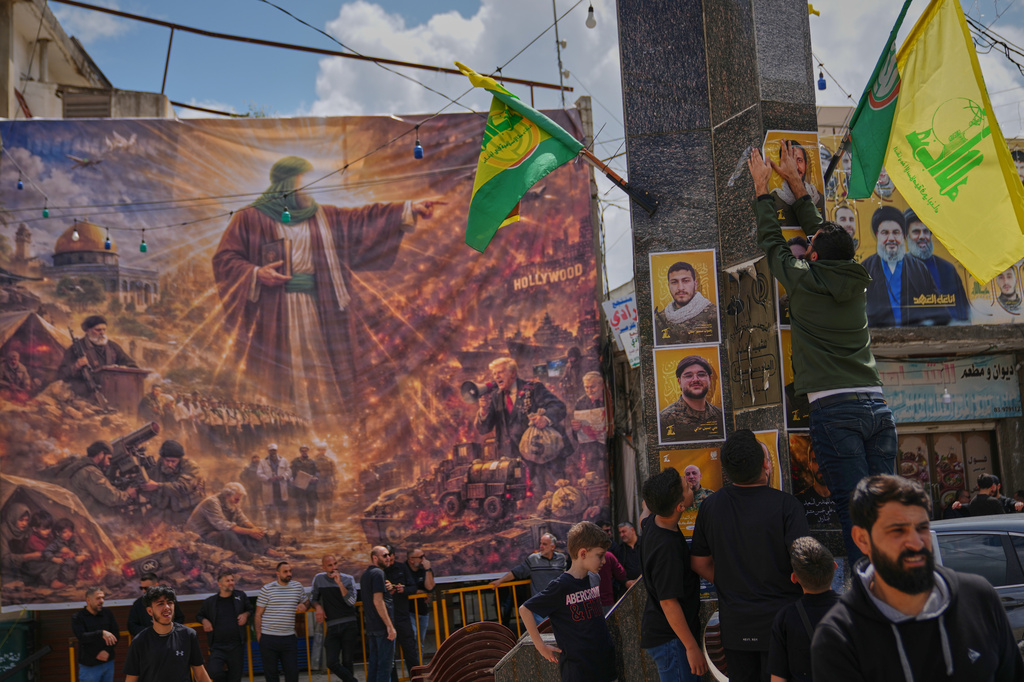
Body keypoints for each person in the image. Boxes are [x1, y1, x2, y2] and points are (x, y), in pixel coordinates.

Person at [749, 143, 897, 562]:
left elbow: (774, 245)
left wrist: (763, 191)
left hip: (837, 412)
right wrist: (798, 187)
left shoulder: (804, 280)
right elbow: (828, 242)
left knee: (856, 514)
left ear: (811, 255)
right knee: (886, 510)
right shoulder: (855, 278)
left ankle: (872, 602)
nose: (807, 244)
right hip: (875, 406)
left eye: (809, 244)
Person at [211, 155, 438, 420]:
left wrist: (410, 208)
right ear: (285, 185)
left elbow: (363, 220)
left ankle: (325, 426)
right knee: (281, 372)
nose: (309, 189)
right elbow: (225, 259)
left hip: (318, 307)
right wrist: (256, 273)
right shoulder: (250, 218)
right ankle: (284, 424)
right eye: (303, 182)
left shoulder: (324, 216)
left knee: (320, 369)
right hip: (274, 311)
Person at [810, 475, 1023, 681]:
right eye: (897, 531)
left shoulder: (978, 598)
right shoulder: (839, 637)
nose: (915, 543)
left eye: (921, 528)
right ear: (862, 539)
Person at [690, 430, 810, 682]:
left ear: (726, 471)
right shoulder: (788, 506)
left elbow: (699, 562)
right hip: (783, 625)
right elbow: (804, 567)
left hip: (735, 627)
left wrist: (729, 580)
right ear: (766, 464)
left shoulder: (710, 507)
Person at [518, 521, 617, 682]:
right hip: (578, 671)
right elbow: (525, 609)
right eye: (600, 555)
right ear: (583, 553)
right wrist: (540, 646)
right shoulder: (561, 586)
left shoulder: (594, 578)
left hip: (605, 665)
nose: (604, 561)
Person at [639, 468, 706, 682]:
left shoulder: (652, 522)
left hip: (667, 636)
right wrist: (691, 646)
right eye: (686, 487)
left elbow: (644, 514)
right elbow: (668, 602)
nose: (689, 484)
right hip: (672, 641)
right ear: (680, 506)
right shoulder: (666, 549)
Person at [475, 357, 571, 499]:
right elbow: (484, 429)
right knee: (523, 501)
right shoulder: (495, 397)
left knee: (551, 497)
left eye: (500, 372)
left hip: (541, 455)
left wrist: (545, 418)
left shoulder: (533, 389)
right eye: (495, 374)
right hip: (514, 460)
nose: (496, 377)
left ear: (513, 373)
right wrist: (483, 409)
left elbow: (559, 407)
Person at [862, 206, 950, 327]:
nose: (891, 238)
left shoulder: (919, 268)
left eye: (896, 232)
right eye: (885, 233)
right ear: (878, 235)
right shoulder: (865, 269)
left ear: (903, 236)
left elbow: (939, 312)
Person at [767, 537, 839, 682]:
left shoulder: (785, 618)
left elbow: (778, 679)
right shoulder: (855, 611)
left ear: (794, 578)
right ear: (834, 566)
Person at [125, 585, 212, 682]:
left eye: (170, 603)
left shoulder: (188, 635)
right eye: (160, 604)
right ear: (150, 611)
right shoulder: (139, 641)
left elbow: (200, 672)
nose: (167, 607)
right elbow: (131, 678)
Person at [902, 209, 970, 323]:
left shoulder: (947, 269)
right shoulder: (897, 269)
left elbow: (963, 313)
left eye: (926, 231)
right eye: (916, 232)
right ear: (906, 236)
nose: (922, 236)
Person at [52, 440, 139, 520]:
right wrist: (127, 494)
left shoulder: (77, 461)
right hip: (76, 515)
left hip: (64, 508)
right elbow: (111, 497)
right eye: (108, 458)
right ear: (101, 454)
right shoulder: (91, 472)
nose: (109, 463)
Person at [186, 483, 275, 561]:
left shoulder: (231, 503)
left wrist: (255, 529)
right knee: (229, 534)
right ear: (227, 495)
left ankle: (265, 550)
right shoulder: (212, 502)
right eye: (236, 499)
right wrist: (250, 531)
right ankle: (246, 557)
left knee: (249, 529)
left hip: (218, 532)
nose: (238, 501)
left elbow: (242, 519)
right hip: (202, 536)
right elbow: (223, 525)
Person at [57, 314, 138, 400]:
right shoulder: (75, 348)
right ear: (88, 330)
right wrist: (76, 366)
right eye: (98, 330)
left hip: (112, 393)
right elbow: (61, 374)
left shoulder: (113, 346)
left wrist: (123, 368)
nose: (102, 333)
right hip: (85, 394)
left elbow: (132, 365)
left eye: (104, 330)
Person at [255, 561, 309, 682]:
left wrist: (305, 606)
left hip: (288, 638)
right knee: (271, 675)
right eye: (285, 571)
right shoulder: (267, 589)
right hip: (269, 638)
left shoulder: (297, 587)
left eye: (290, 571)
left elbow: (306, 601)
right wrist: (259, 636)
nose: (289, 574)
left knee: (292, 674)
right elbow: (258, 614)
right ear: (277, 574)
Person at [196, 570, 252, 682]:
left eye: (232, 580)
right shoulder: (210, 602)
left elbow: (250, 609)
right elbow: (199, 615)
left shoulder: (240, 596)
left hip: (236, 646)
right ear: (219, 584)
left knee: (235, 678)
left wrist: (245, 614)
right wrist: (205, 620)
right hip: (217, 646)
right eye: (227, 581)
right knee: (213, 672)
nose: (231, 583)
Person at [311, 555, 359, 682]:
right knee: (331, 662)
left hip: (349, 623)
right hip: (332, 625)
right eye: (330, 565)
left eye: (335, 564)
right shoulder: (319, 579)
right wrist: (318, 607)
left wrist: (340, 584)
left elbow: (351, 602)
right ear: (324, 567)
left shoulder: (348, 579)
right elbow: (313, 598)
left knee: (348, 661)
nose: (334, 567)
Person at [490, 532, 568, 607]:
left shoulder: (561, 558)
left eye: (544, 544)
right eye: (540, 543)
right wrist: (500, 581)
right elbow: (516, 572)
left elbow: (566, 575)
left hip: (558, 604)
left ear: (552, 547)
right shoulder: (533, 559)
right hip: (540, 605)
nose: (541, 546)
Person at [658, 355, 724, 443]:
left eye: (701, 375)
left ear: (710, 379)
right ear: (679, 382)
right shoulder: (665, 420)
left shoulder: (720, 416)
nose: (695, 379)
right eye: (688, 376)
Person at [653, 261, 719, 345]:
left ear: (695, 284)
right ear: (669, 286)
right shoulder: (660, 319)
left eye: (686, 281)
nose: (680, 288)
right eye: (674, 282)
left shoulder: (713, 314)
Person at [143, 440, 205, 523]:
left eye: (173, 461)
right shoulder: (159, 466)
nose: (169, 464)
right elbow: (148, 478)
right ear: (162, 458)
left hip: (188, 512)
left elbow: (182, 487)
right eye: (167, 460)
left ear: (179, 459)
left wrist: (158, 486)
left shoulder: (191, 467)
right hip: (166, 510)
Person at [361, 546, 397, 682]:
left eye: (388, 555)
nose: (388, 558)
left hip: (373, 627)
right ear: (375, 558)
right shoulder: (377, 574)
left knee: (375, 666)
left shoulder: (367, 574)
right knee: (385, 666)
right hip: (381, 627)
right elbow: (378, 601)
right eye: (384, 555)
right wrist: (389, 625)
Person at [383, 546, 420, 672]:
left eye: (391, 558)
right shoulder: (379, 571)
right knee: (389, 653)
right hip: (386, 617)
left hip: (402, 615)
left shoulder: (401, 567)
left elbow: (413, 587)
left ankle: (416, 678)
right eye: (386, 558)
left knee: (410, 649)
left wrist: (403, 590)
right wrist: (387, 592)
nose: (389, 561)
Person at [72, 586, 120, 682]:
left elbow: (115, 634)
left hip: (108, 663)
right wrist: (101, 633)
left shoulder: (107, 613)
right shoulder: (78, 617)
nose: (101, 601)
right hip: (89, 666)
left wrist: (106, 651)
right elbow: (82, 637)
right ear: (88, 600)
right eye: (98, 598)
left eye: (103, 598)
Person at [569, 372, 608, 480]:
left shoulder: (610, 398)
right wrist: (575, 429)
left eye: (592, 387)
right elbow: (577, 437)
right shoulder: (580, 403)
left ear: (602, 385)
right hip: (591, 450)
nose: (589, 391)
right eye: (586, 387)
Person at [128, 572, 185, 637]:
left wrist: (167, 629)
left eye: (146, 588)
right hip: (147, 640)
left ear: (156, 585)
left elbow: (179, 618)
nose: (143, 591)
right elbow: (132, 626)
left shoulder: (169, 600)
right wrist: (149, 632)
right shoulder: (138, 604)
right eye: (142, 588)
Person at [43, 517, 88, 586]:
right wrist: (54, 558)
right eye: (64, 532)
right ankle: (62, 582)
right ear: (58, 533)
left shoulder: (71, 542)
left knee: (76, 566)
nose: (68, 534)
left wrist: (79, 556)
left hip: (72, 565)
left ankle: (74, 580)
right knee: (65, 569)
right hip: (62, 565)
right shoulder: (56, 543)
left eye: (70, 531)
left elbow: (75, 551)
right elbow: (46, 552)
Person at [405, 549, 435, 650]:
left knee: (420, 642)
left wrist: (428, 570)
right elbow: (403, 588)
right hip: (408, 610)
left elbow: (430, 587)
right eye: (421, 557)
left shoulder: (424, 570)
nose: (424, 559)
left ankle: (419, 663)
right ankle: (413, 664)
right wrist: (419, 592)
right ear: (411, 560)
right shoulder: (404, 569)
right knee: (413, 637)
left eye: (424, 556)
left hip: (422, 610)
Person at [257, 444, 292, 529]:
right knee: (269, 507)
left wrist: (283, 476)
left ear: (277, 451)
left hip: (280, 487)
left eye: (274, 450)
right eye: (271, 450)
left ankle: (283, 524)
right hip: (269, 486)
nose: (273, 452)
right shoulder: (263, 461)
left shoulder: (283, 460)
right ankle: (271, 525)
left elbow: (289, 471)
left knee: (283, 507)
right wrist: (268, 479)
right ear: (268, 451)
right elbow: (259, 473)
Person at [289, 445, 319, 531]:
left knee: (313, 507)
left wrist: (316, 477)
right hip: (300, 488)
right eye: (302, 451)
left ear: (308, 451)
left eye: (306, 450)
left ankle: (311, 523)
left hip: (311, 488)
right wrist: (291, 480)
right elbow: (291, 472)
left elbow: (317, 472)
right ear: (300, 452)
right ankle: (304, 525)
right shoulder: (295, 462)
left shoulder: (312, 462)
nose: (304, 452)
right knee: (301, 507)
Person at [313, 443, 337, 523]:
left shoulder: (329, 460)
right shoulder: (314, 461)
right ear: (318, 450)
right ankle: (320, 517)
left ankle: (328, 517)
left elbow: (334, 472)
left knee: (329, 501)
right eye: (320, 450)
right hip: (318, 482)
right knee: (320, 501)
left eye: (323, 450)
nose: (321, 452)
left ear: (325, 450)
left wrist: (334, 482)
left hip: (328, 482)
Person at [239, 455, 263, 520]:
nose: (256, 459)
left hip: (262, 487)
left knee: (264, 503)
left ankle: (264, 519)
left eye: (257, 457)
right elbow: (242, 476)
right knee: (253, 504)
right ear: (252, 459)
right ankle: (254, 519)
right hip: (252, 488)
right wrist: (249, 482)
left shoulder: (263, 466)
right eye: (254, 458)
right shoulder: (248, 467)